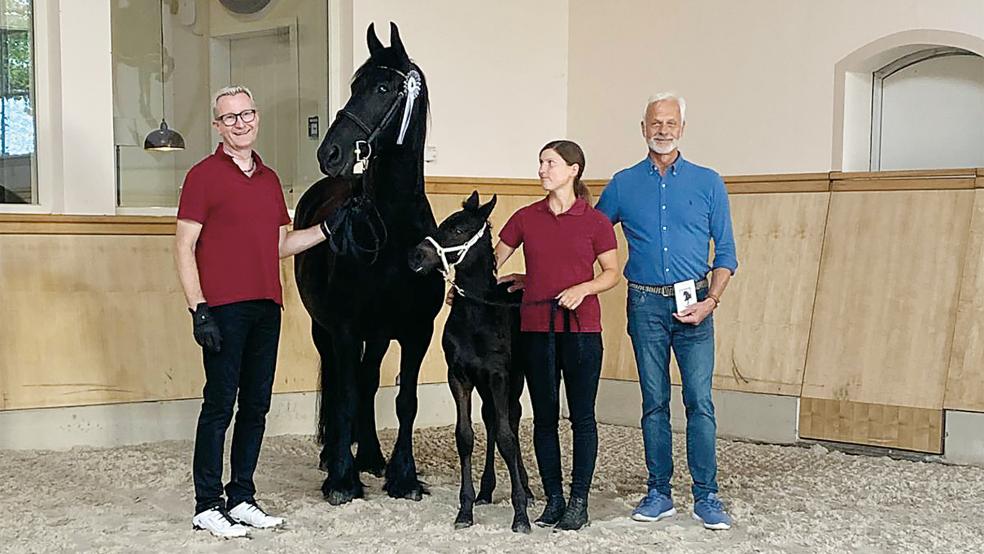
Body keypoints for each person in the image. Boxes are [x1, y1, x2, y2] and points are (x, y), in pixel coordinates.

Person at [175, 85, 334, 538]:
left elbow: (280, 245)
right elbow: (184, 247)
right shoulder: (202, 176)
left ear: (256, 117)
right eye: (230, 117)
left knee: (256, 406)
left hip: (268, 304)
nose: (240, 123)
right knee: (219, 405)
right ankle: (207, 504)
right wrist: (197, 309)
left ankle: (241, 496)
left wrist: (327, 229)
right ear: (217, 126)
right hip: (222, 308)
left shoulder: (268, 179)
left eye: (246, 114)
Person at [596, 93, 738, 530]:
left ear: (682, 128)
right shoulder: (621, 183)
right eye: (655, 122)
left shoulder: (709, 182)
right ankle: (659, 491)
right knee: (654, 402)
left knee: (700, 401)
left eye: (670, 122)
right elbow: (591, 239)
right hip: (644, 304)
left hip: (696, 301)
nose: (663, 129)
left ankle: (706, 495)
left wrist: (710, 301)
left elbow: (727, 253)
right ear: (643, 128)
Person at [494, 140, 619, 531]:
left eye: (550, 163)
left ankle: (579, 500)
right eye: (541, 163)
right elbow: (493, 261)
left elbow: (611, 273)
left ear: (573, 170)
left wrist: (583, 289)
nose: (542, 170)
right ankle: (553, 499)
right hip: (535, 329)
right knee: (544, 418)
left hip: (582, 331)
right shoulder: (525, 217)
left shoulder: (595, 221)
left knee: (582, 417)